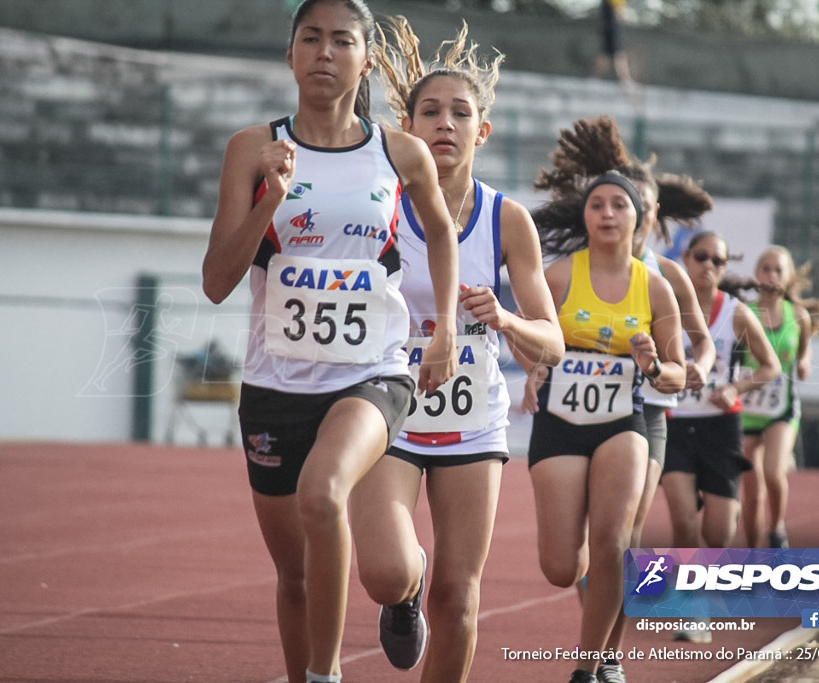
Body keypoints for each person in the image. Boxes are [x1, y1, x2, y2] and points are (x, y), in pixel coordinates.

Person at [200, 2, 460, 682]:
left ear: (364, 60)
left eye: (341, 40)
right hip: (274, 382)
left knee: (324, 491)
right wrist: (269, 199)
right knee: (294, 575)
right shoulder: (251, 149)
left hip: (369, 373)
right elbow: (216, 281)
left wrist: (447, 329)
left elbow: (440, 231)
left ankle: (327, 674)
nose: (324, 52)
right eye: (309, 38)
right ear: (289, 56)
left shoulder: (398, 151)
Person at [348, 18, 564, 683]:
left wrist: (503, 318)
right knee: (388, 571)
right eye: (431, 111)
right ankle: (402, 593)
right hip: (387, 410)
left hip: (471, 422)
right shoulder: (376, 203)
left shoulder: (507, 220)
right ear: (407, 125)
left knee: (460, 597)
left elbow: (552, 339)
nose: (446, 123)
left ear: (482, 130)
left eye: (460, 112)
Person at [522, 116, 687, 683]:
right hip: (560, 424)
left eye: (621, 205)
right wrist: (537, 366)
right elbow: (525, 336)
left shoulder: (655, 284)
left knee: (616, 539)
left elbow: (677, 374)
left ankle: (591, 667)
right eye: (599, 205)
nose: (609, 213)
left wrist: (653, 364)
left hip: (625, 424)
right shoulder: (561, 276)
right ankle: (597, 599)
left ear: (637, 217)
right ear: (585, 215)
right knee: (560, 565)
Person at [579, 168, 717, 675]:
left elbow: (700, 343)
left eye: (646, 206)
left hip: (649, 416)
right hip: (581, 414)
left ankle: (605, 659)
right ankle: (598, 639)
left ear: (651, 214)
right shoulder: (579, 265)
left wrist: (695, 368)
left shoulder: (666, 273)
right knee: (580, 550)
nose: (634, 214)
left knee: (624, 535)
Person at [661, 231, 780, 563]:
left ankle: (728, 510)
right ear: (685, 259)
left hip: (721, 427)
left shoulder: (734, 312)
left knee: (718, 535)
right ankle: (685, 603)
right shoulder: (663, 303)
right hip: (675, 425)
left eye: (718, 260)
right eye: (701, 257)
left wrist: (734, 388)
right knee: (684, 524)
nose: (708, 265)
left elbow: (770, 366)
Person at [739, 245, 819, 549]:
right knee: (751, 493)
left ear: (788, 276)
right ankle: (751, 555)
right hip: (747, 410)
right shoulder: (744, 314)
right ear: (756, 274)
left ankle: (776, 529)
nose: (771, 275)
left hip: (782, 409)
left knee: (773, 470)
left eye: (778, 270)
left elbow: (804, 349)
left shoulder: (798, 317)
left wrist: (804, 362)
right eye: (765, 268)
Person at [592, 0, 632, 84]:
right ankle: (625, 80)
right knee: (618, 53)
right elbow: (617, 11)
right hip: (612, 26)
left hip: (608, 25)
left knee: (605, 54)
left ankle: (594, 79)